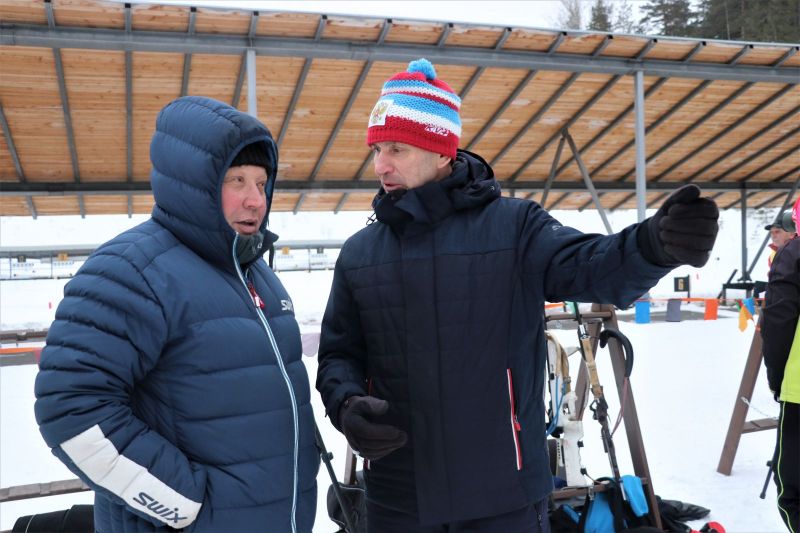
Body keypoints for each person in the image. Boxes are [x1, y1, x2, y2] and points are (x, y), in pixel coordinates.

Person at [316, 58, 720, 532]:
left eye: (397, 149)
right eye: (377, 149)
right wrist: (346, 406)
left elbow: (592, 264)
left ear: (442, 152)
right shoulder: (360, 253)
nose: (380, 164)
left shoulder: (515, 228)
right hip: (399, 501)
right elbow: (339, 355)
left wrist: (652, 245)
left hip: (503, 497)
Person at [34, 96, 319, 533]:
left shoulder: (256, 273)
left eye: (262, 183)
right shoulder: (131, 271)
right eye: (237, 180)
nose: (255, 200)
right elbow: (71, 408)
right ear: (195, 184)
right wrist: (181, 504)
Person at [762, 198, 800, 532]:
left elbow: (778, 322)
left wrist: (776, 377)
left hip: (799, 390)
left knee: (794, 492)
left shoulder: (793, 255)